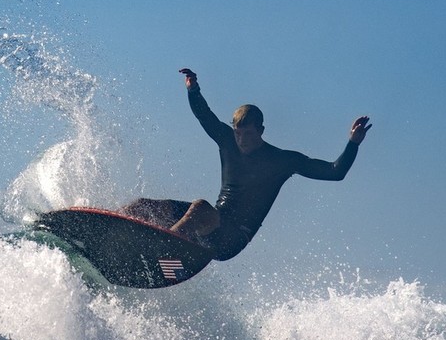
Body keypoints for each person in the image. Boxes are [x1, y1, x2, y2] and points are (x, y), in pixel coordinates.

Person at [120, 68, 372, 261]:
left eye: (249, 134)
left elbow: (335, 172)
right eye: (238, 133)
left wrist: (353, 143)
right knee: (142, 206)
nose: (242, 140)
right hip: (211, 221)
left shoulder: (281, 160)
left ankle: (162, 248)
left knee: (200, 207)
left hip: (233, 237)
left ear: (261, 130)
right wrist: (193, 89)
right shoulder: (228, 141)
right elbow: (204, 115)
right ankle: (109, 232)